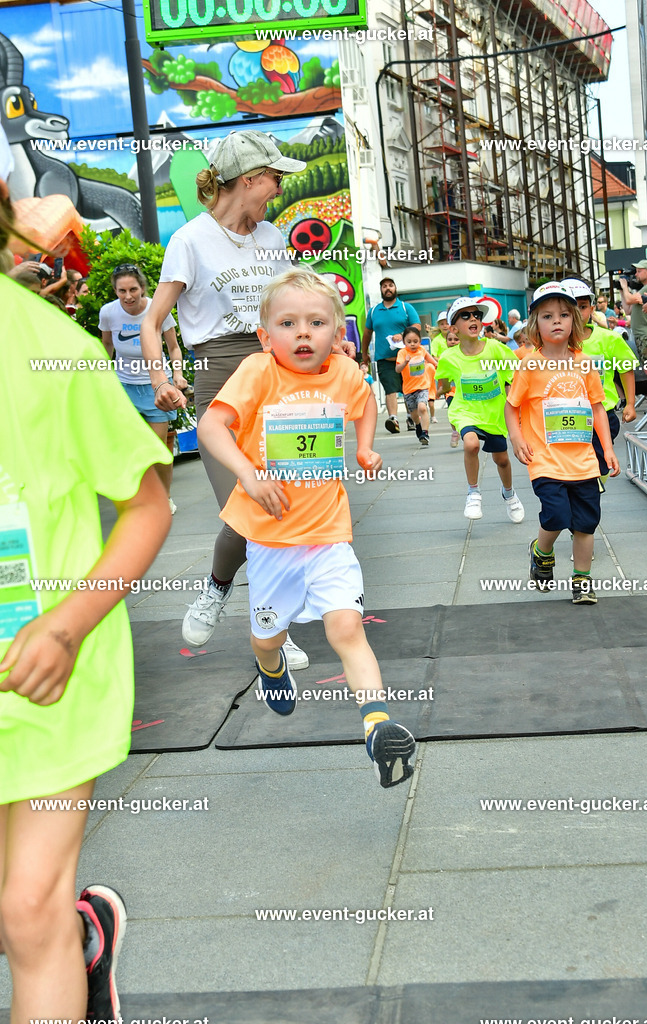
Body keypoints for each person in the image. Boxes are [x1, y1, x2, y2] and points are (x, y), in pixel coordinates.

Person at [0, 129, 172, 1023]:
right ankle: (87, 942)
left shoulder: (47, 343)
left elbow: (147, 507)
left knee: (25, 911)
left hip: (45, 674)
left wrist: (66, 626)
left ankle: (60, 937)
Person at [197, 267, 417, 787]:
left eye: (316, 322)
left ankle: (376, 725)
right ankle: (270, 668)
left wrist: (365, 445)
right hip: (271, 542)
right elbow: (210, 425)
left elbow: (363, 402)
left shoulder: (343, 373)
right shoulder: (257, 372)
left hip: (327, 535)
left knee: (346, 627)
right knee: (267, 638)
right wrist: (248, 476)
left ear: (337, 333)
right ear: (264, 334)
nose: (302, 333)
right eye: (288, 322)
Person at [140, 128, 312, 668]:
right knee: (245, 510)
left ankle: (270, 625)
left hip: (278, 378)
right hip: (219, 380)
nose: (278, 189)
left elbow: (294, 306)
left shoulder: (273, 238)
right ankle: (221, 592)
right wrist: (160, 378)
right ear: (247, 179)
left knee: (282, 508)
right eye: (274, 178)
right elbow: (153, 321)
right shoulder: (190, 239)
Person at [505, 282, 620, 605]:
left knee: (586, 522)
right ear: (534, 325)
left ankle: (582, 581)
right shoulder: (529, 363)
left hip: (583, 460)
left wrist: (607, 449)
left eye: (564, 315)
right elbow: (511, 406)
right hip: (545, 458)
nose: (557, 321)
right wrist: (516, 438)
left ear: (575, 323)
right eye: (547, 316)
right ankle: (541, 551)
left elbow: (598, 407)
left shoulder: (585, 363)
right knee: (556, 515)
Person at [100, 263, 186, 514]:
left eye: (133, 290)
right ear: (115, 290)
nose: (128, 296)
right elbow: (107, 345)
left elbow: (173, 347)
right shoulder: (108, 313)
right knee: (129, 445)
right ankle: (138, 498)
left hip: (156, 385)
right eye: (121, 291)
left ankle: (164, 497)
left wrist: (177, 376)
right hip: (124, 385)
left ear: (143, 288)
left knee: (158, 447)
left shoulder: (157, 310)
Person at [435, 297, 524, 523]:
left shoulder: (496, 349)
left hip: (494, 415)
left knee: (501, 460)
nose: (473, 318)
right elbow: (444, 383)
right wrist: (443, 391)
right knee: (471, 444)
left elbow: (517, 378)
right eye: (466, 316)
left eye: (476, 315)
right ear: (454, 327)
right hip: (466, 412)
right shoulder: (448, 357)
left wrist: (519, 407)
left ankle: (509, 493)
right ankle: (473, 493)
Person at [561, 278, 637, 486]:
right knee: (577, 466)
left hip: (603, 413)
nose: (577, 313)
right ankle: (585, 491)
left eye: (582, 307)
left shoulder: (608, 339)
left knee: (599, 463)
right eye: (570, 307)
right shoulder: (552, 342)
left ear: (592, 309)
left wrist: (630, 403)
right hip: (566, 415)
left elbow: (626, 369)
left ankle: (592, 487)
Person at [360, 277, 421, 434]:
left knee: (409, 390)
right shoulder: (374, 311)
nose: (388, 288)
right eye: (384, 286)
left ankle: (410, 417)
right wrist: (364, 352)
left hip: (407, 358)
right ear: (381, 290)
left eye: (390, 286)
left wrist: (402, 334)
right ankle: (393, 419)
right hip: (384, 359)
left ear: (395, 288)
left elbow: (417, 326)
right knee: (390, 389)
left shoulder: (406, 307)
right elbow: (367, 333)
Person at [395, 326, 439, 445]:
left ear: (420, 341)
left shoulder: (422, 350)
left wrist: (438, 366)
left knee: (422, 408)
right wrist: (405, 362)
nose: (413, 344)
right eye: (409, 342)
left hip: (422, 386)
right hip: (409, 389)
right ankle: (418, 426)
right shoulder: (402, 353)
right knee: (414, 414)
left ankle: (425, 433)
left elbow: (433, 362)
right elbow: (397, 369)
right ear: (404, 342)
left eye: (415, 341)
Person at [619, 259, 647, 382]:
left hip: (646, 334)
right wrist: (622, 291)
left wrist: (624, 286)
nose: (636, 274)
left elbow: (629, 300)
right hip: (641, 334)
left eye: (639, 271)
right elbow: (628, 310)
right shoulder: (643, 289)